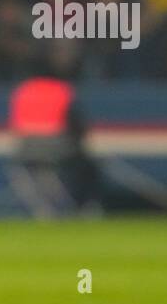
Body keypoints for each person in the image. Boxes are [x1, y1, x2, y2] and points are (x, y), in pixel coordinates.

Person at [8, 75, 101, 216]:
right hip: (60, 151)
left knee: (33, 176)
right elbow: (76, 125)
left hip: (26, 151)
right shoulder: (61, 90)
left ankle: (48, 210)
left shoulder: (24, 91)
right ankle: (85, 208)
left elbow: (16, 128)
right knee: (89, 169)